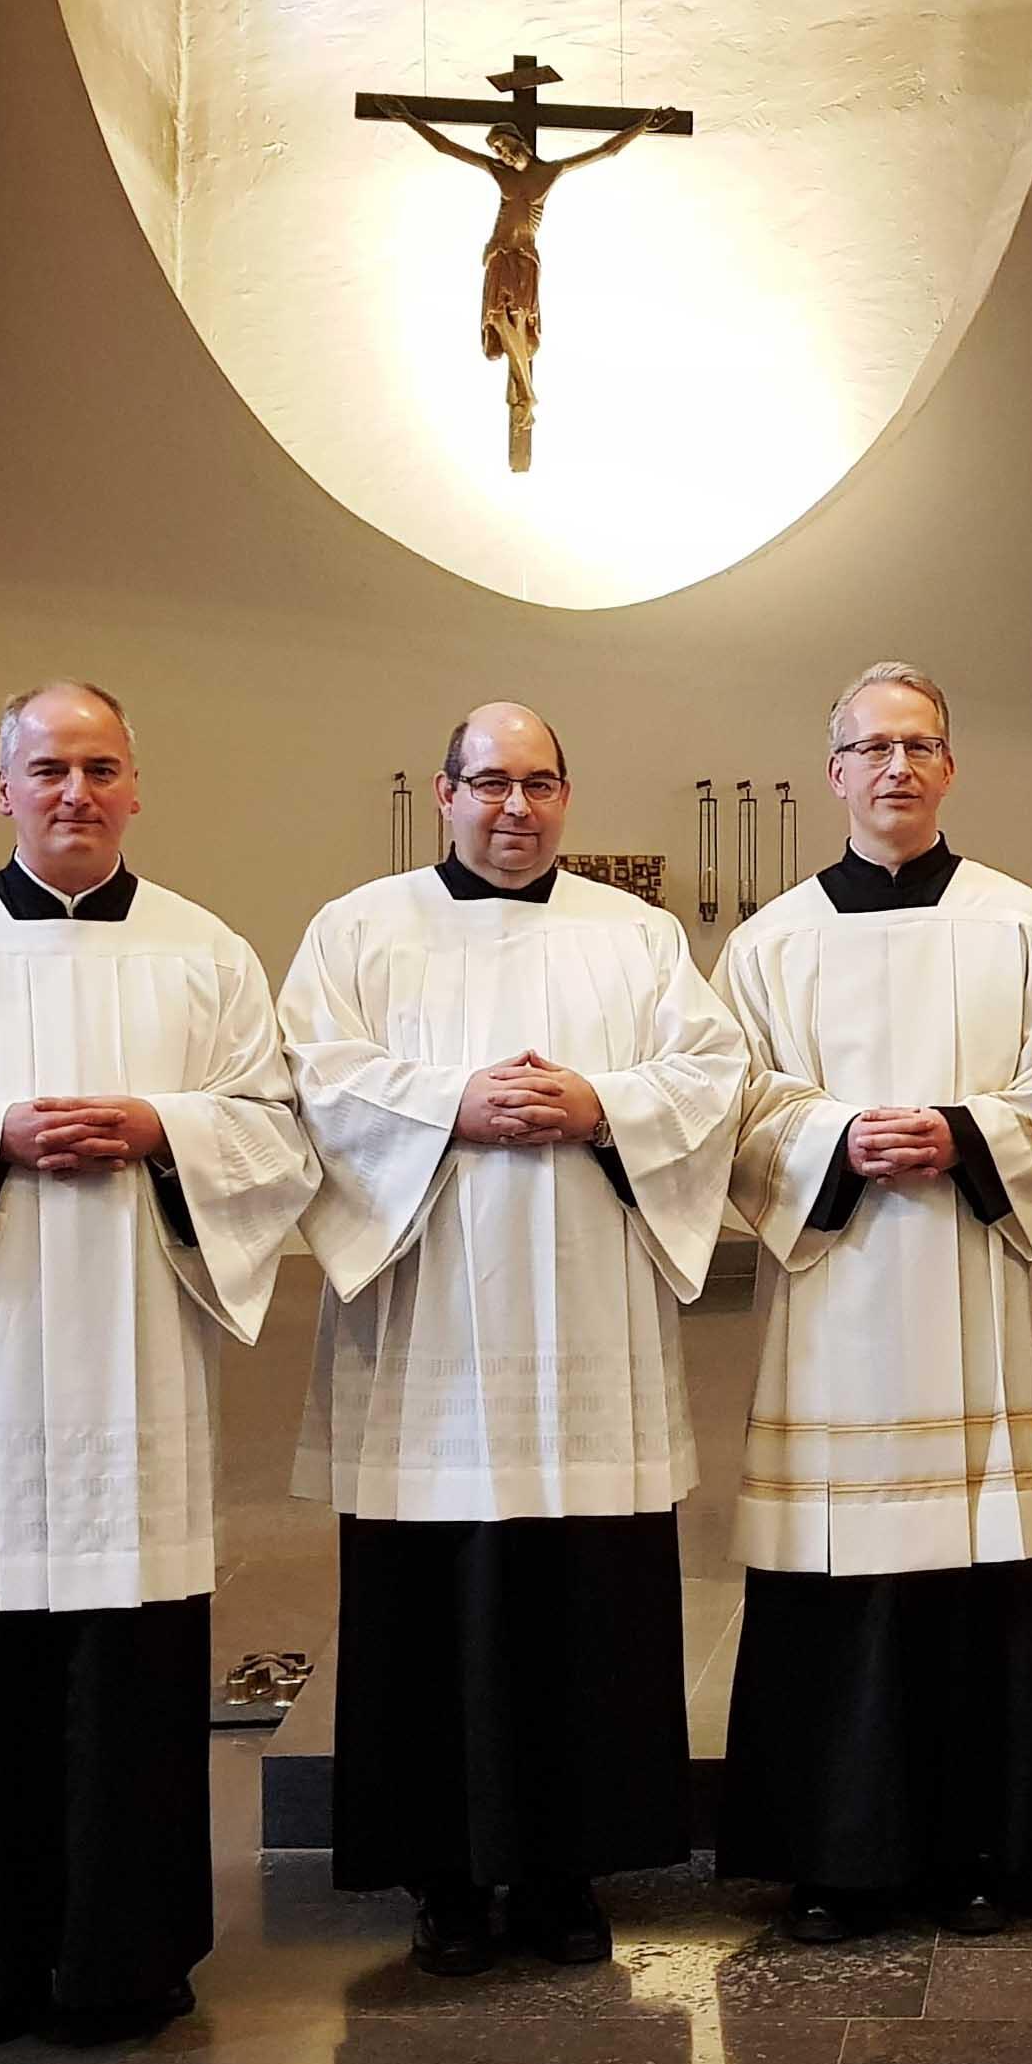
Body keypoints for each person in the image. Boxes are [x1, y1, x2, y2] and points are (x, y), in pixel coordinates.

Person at [0, 682, 316, 2050]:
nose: (73, 793)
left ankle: (127, 1960)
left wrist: (160, 1125)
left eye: (99, 768)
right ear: (4, 789)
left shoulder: (205, 955)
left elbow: (278, 1136)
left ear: (137, 787)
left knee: (129, 1654)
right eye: (47, 769)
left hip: (134, 1362)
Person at [277, 700, 747, 1975]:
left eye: (540, 784)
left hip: (587, 1322)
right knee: (435, 1600)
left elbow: (713, 1078)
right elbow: (310, 1077)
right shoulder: (359, 931)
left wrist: (601, 1101)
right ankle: (442, 1872)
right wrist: (453, 1101)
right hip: (428, 1325)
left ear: (567, 796)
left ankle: (566, 1872)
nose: (515, 808)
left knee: (583, 1600)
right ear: (443, 793)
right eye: (489, 784)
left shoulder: (638, 937)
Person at [712, 661, 1032, 1939]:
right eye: (871, 748)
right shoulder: (769, 942)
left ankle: (981, 1851)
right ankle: (836, 1855)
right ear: (834, 773)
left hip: (973, 1285)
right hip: (838, 1301)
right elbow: (733, 1102)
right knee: (845, 1576)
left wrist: (962, 1134)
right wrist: (835, 1139)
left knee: (973, 1574)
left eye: (919, 745)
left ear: (950, 766)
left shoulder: (1024, 926)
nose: (896, 768)